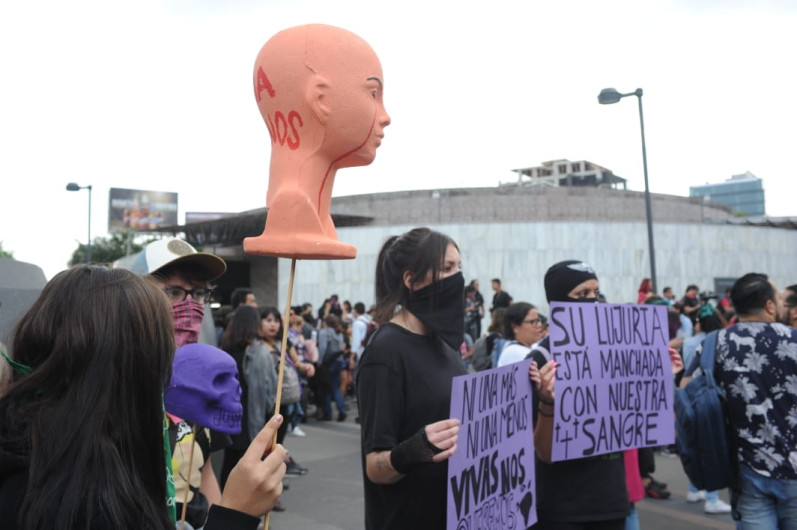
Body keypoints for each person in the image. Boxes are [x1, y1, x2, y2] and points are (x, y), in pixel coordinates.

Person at [0, 265, 286, 529]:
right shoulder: (68, 492)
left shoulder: (98, 440)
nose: (189, 308)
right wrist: (235, 515)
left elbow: (205, 468)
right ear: (127, 360)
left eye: (199, 293)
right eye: (172, 293)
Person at [244, 24, 391, 259]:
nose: (386, 118)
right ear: (321, 99)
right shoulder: (297, 207)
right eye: (373, 94)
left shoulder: (319, 218)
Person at [357, 227, 464, 529]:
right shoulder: (385, 352)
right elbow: (376, 467)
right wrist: (413, 451)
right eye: (446, 268)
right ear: (411, 280)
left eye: (459, 267)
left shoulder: (444, 344)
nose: (458, 277)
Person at [688, 273, 797, 527]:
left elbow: (689, 389)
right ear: (769, 306)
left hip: (748, 470)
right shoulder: (793, 339)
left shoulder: (716, 342)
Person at [527, 259, 630, 528]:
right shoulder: (539, 360)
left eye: (596, 293)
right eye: (582, 294)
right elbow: (542, 452)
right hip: (563, 508)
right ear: (558, 302)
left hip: (611, 502)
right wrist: (548, 403)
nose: (593, 302)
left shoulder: (614, 352)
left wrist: (659, 380)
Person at [219, 306, 279, 490]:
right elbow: (269, 392)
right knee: (250, 465)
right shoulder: (259, 352)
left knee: (229, 465)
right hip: (251, 417)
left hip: (228, 418)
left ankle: (225, 502)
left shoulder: (224, 350)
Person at [260, 306, 312, 477]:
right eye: (268, 320)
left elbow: (297, 362)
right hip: (266, 402)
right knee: (263, 443)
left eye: (276, 320)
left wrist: (307, 367)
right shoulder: (255, 346)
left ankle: (275, 478)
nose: (273, 325)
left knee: (278, 441)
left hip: (284, 400)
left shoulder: (284, 342)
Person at [318, 314, 348, 422]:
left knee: (326, 387)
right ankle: (342, 410)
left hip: (328, 362)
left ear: (325, 322)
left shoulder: (323, 332)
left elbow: (323, 348)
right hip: (338, 361)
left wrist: (319, 362)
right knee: (335, 387)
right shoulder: (338, 332)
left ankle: (328, 413)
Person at [496, 302, 543, 367]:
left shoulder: (531, 347)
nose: (539, 325)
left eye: (538, 320)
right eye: (532, 322)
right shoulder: (513, 352)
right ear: (515, 327)